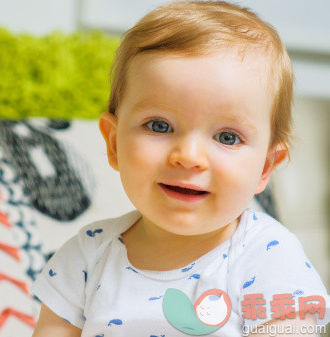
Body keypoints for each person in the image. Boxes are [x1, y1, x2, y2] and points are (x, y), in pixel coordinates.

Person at [31, 1, 330, 336]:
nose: (187, 156)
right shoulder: (87, 256)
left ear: (265, 167)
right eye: (159, 126)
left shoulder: (268, 258)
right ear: (114, 144)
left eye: (227, 137)